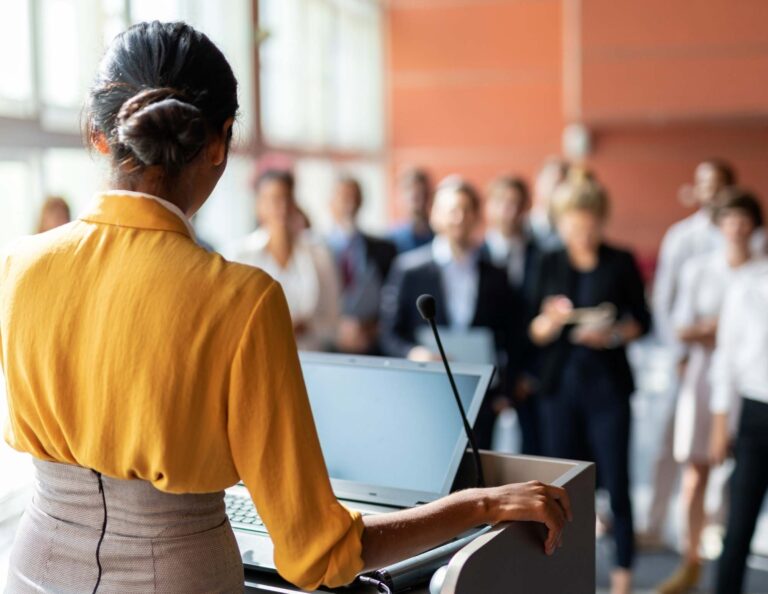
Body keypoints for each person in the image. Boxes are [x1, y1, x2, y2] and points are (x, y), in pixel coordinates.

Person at [1, 21, 572, 593]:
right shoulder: (241, 300)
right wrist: (479, 504)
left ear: (100, 135)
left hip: (33, 569)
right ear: (220, 142)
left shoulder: (18, 267)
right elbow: (319, 553)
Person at [529, 170, 650, 594]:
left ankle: (622, 579)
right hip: (559, 387)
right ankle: (565, 575)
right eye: (571, 224)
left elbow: (643, 321)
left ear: (602, 220)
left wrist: (613, 333)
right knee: (562, 488)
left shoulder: (620, 259)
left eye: (588, 223)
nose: (580, 232)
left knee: (617, 482)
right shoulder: (547, 259)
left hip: (608, 386)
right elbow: (534, 332)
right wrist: (552, 319)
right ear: (559, 222)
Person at [655, 191, 764, 594]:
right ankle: (692, 560)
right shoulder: (710, 272)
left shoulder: (760, 271)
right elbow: (684, 328)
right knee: (703, 474)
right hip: (717, 381)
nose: (737, 226)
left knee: (738, 484)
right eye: (729, 218)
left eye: (744, 218)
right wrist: (718, 330)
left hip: (750, 385)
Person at [380, 176, 521, 449]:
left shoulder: (496, 274)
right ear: (434, 215)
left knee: (480, 474)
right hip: (429, 391)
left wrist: (505, 390)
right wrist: (414, 353)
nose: (458, 217)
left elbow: (511, 334)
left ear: (477, 217)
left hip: (481, 394)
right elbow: (389, 332)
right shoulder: (409, 270)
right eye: (451, 210)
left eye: (466, 210)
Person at [644, 159, 738, 547]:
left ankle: (712, 527)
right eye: (705, 185)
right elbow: (664, 301)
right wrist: (680, 352)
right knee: (671, 443)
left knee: (724, 444)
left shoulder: (744, 235)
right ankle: (655, 523)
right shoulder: (681, 236)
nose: (711, 192)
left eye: (718, 185)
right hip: (688, 358)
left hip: (732, 359)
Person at [226, 169, 340, 351]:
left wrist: (309, 327)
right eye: (274, 199)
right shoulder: (240, 255)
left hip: (310, 358)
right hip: (258, 355)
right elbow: (231, 320)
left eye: (287, 198)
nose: (283, 207)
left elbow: (333, 320)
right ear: (259, 206)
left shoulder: (319, 254)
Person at [709, 253, 768, 594]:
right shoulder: (748, 282)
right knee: (739, 523)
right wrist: (720, 422)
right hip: (756, 409)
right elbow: (726, 356)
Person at [482, 174, 541, 455]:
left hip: (532, 373)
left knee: (536, 453)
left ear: (527, 206)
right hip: (488, 374)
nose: (510, 211)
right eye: (503, 203)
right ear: (490, 207)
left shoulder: (544, 255)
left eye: (517, 203)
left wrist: (526, 373)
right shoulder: (475, 255)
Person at [327, 176, 397, 354]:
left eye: (354, 198)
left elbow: (392, 298)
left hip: (370, 343)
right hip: (329, 346)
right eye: (343, 197)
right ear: (330, 202)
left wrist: (370, 328)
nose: (349, 205)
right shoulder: (317, 249)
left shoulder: (384, 249)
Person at [388, 167, 434, 253]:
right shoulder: (392, 238)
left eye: (423, 194)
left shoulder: (439, 234)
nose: (420, 202)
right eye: (415, 198)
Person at [528, 156, 568, 251]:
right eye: (549, 181)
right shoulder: (520, 227)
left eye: (560, 184)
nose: (553, 189)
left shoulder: (572, 231)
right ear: (537, 182)